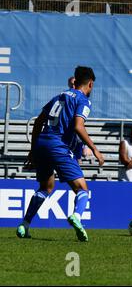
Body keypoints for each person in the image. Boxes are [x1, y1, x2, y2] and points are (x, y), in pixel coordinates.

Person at [17, 66, 104, 242]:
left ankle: (24, 225)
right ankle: (77, 217)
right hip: (58, 145)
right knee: (82, 188)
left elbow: (38, 122)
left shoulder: (59, 96)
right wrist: (95, 149)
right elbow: (79, 126)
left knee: (46, 187)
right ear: (90, 84)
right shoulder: (83, 100)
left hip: (42, 143)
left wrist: (33, 149)